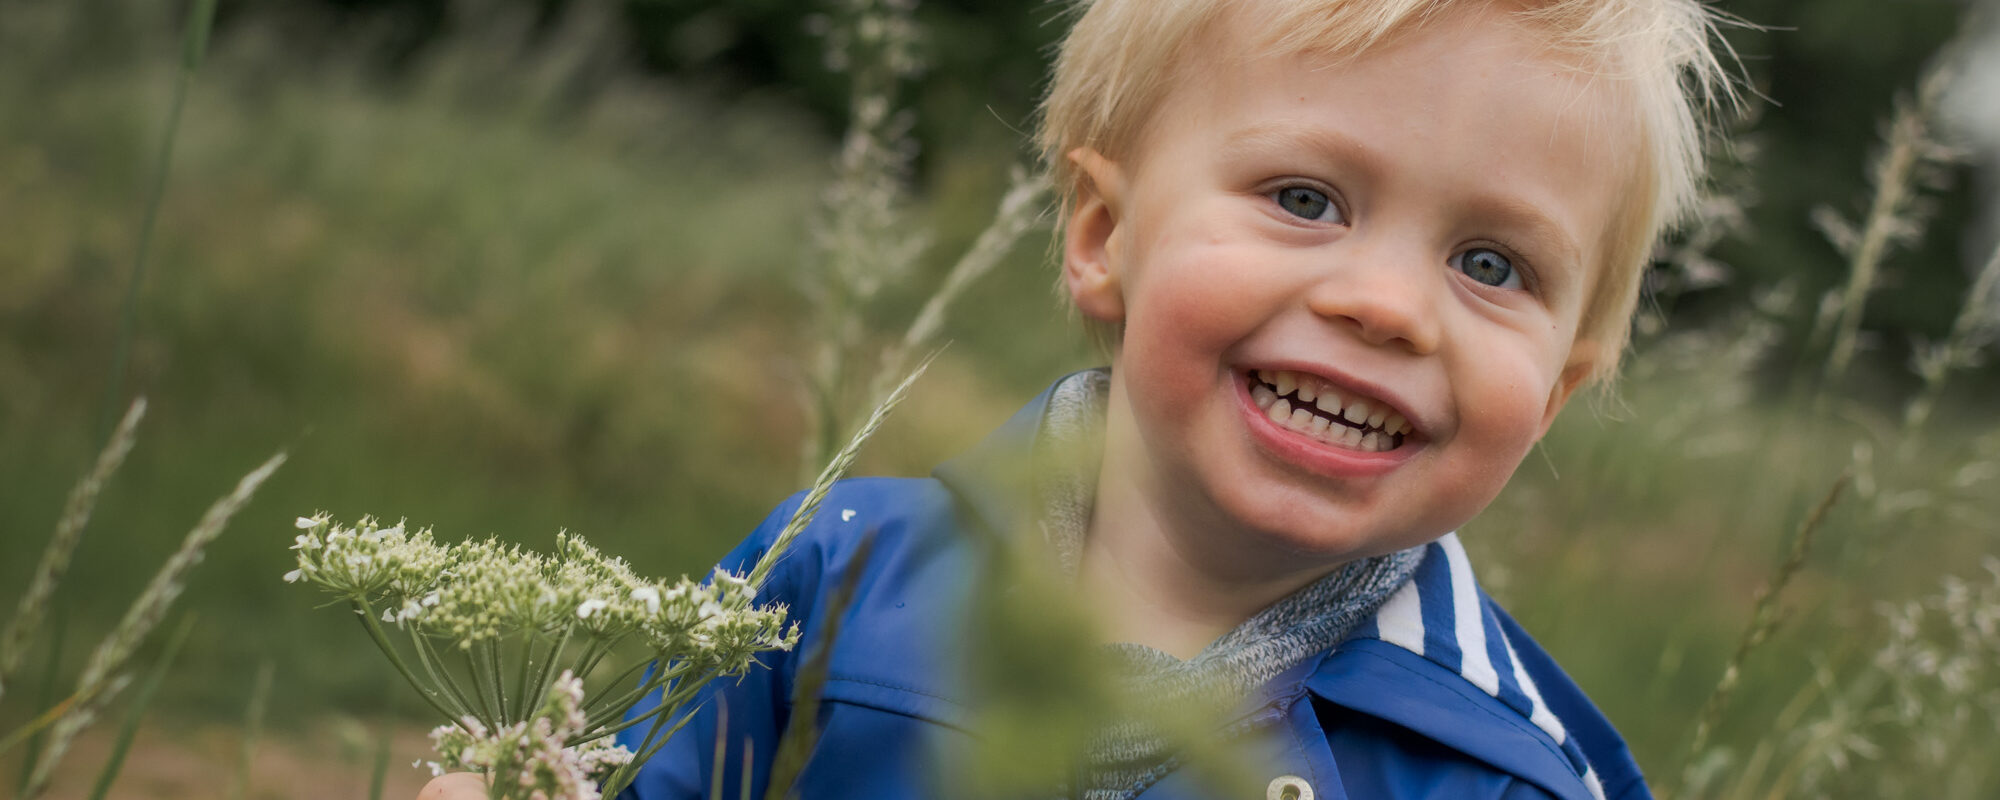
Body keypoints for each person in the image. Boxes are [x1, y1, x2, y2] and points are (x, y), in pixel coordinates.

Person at [422, 0, 1735, 797]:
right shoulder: (829, 575)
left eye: (1491, 265)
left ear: (1556, 392)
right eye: (1305, 199)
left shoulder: (1503, 772)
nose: (1387, 305)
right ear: (1105, 234)